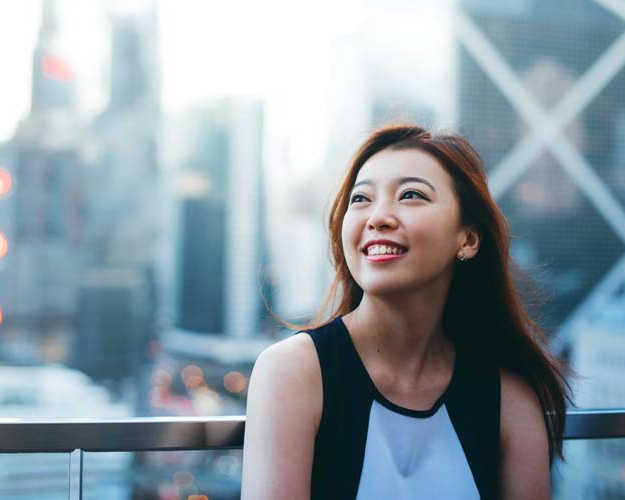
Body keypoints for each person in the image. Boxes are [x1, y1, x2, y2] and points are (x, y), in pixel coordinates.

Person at [240, 124, 572, 499]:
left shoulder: (509, 399)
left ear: (468, 239)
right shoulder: (294, 371)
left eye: (411, 195)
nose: (377, 217)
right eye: (361, 199)